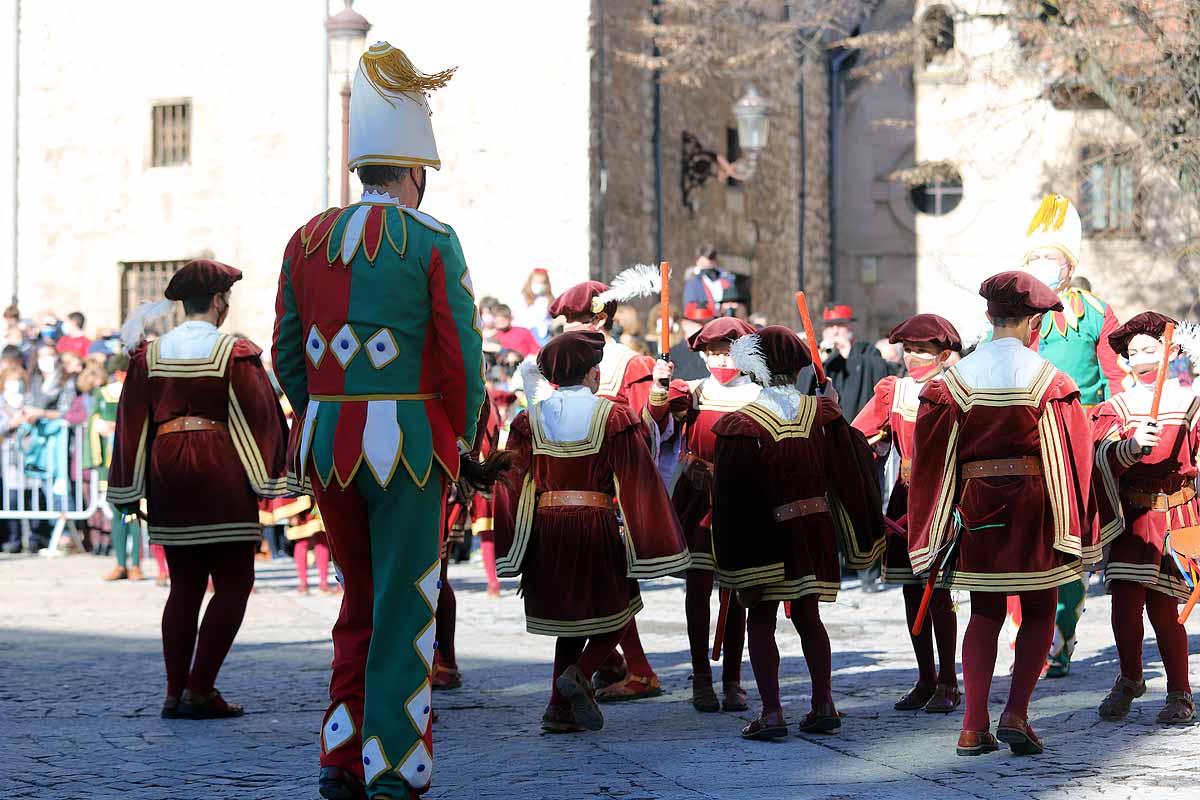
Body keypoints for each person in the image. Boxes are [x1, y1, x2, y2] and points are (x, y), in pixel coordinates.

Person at [271, 42, 487, 800]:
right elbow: (461, 355)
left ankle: (338, 753)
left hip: (329, 442)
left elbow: (287, 356)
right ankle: (392, 766)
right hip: (411, 447)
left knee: (358, 596)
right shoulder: (431, 241)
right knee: (406, 599)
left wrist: (317, 414)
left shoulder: (305, 241)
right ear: (415, 173)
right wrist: (463, 439)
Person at [907, 271, 1100, 757]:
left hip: (977, 505)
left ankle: (973, 725)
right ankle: (1016, 713)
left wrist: (933, 524)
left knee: (985, 611)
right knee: (1038, 608)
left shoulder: (953, 380)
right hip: (1037, 504)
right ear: (1034, 321)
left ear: (989, 316)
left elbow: (932, 459)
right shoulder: (1051, 381)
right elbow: (1073, 454)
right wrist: (1078, 523)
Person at [109, 259, 288, 720]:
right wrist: (270, 476)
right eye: (225, 299)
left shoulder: (149, 355)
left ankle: (174, 691)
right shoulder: (235, 353)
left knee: (184, 586)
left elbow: (130, 423)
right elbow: (259, 415)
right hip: (220, 469)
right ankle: (200, 687)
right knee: (234, 582)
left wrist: (129, 486)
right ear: (216, 301)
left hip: (169, 472)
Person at [493, 330, 689, 733]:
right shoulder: (611, 416)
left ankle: (557, 709)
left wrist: (513, 543)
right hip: (594, 525)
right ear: (591, 373)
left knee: (569, 621)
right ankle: (580, 673)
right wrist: (650, 537)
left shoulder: (529, 419)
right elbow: (637, 478)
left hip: (548, 530)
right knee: (622, 605)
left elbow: (511, 481)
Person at [713, 326, 885, 739]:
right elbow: (852, 468)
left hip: (766, 532)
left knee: (760, 618)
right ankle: (823, 702)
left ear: (753, 368)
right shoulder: (822, 415)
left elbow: (732, 497)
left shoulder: (741, 424)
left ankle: (772, 713)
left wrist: (733, 554)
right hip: (815, 528)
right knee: (809, 616)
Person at [547, 273, 668, 702]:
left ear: (598, 321)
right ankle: (623, 664)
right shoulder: (559, 358)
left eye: (575, 320)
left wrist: (658, 401)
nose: (566, 327)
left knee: (612, 587)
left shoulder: (629, 364)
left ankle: (631, 669)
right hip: (563, 494)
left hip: (610, 493)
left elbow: (646, 433)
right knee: (588, 591)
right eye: (565, 320)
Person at [1019, 194, 1125, 678]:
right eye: (1037, 258)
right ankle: (1032, 637)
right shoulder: (1013, 315)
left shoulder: (1097, 312)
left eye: (1053, 259)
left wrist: (1115, 418)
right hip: (1026, 437)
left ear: (1069, 266)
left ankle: (1058, 641)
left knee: (1072, 542)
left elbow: (1115, 376)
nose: (1045, 266)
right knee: (1023, 543)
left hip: (1081, 439)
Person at [648, 317, 761, 712]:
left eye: (726, 351)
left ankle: (732, 679)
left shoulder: (760, 395)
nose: (719, 359)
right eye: (712, 352)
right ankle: (700, 677)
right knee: (697, 588)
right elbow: (657, 419)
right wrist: (659, 385)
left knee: (737, 590)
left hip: (742, 498)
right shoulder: (693, 391)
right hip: (697, 495)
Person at [852, 315, 963, 713]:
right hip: (904, 501)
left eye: (923, 350)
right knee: (910, 591)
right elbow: (859, 435)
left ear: (943, 354)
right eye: (909, 348)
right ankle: (925, 678)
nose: (913, 356)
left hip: (944, 498)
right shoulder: (892, 391)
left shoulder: (958, 390)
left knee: (940, 594)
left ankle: (949, 681)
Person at [1091, 312, 1195, 724]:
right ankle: (1131, 678)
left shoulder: (1192, 402)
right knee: (1124, 605)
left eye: (1150, 349)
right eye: (1133, 353)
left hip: (1177, 515)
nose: (1141, 358)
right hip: (1133, 515)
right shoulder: (1117, 406)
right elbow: (1098, 455)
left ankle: (1179, 692)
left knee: (1165, 610)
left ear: (1173, 352)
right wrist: (1130, 447)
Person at [799, 304, 890, 421]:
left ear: (850, 327)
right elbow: (801, 385)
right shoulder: (817, 350)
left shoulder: (865, 349)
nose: (835, 331)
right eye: (830, 326)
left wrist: (850, 355)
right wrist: (817, 362)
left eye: (840, 325)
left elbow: (880, 370)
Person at [682, 243, 738, 322]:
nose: (707, 270)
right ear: (697, 262)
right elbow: (689, 309)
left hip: (726, 321)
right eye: (704, 266)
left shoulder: (727, 280)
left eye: (710, 266)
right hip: (704, 322)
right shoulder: (693, 283)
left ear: (715, 262)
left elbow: (736, 303)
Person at [514, 268, 555, 345]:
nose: (539, 285)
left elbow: (550, 319)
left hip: (542, 334)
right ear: (530, 282)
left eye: (542, 283)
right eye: (536, 282)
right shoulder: (523, 297)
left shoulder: (549, 299)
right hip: (526, 332)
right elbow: (518, 317)